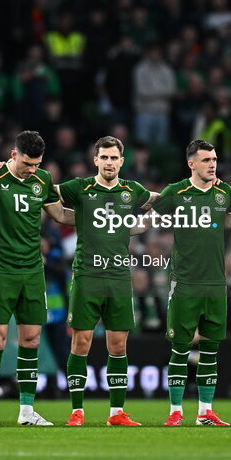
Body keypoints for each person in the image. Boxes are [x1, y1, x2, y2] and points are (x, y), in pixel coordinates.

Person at [0, 130, 73, 426]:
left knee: (31, 338)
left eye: (37, 164)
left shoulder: (41, 180)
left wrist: (100, 217)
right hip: (0, 270)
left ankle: (27, 411)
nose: (32, 170)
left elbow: (61, 215)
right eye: (27, 163)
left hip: (32, 271)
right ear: (13, 155)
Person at [153, 140, 231, 426]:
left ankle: (205, 412)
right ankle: (175, 411)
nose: (213, 164)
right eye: (207, 160)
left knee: (211, 347)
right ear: (192, 164)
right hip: (185, 282)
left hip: (216, 283)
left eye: (214, 159)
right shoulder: (176, 192)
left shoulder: (224, 192)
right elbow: (151, 215)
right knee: (180, 346)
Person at [58, 136, 156, 426]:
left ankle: (116, 413)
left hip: (118, 276)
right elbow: (46, 194)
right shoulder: (80, 187)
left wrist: (151, 218)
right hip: (87, 274)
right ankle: (77, 410)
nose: (110, 162)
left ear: (122, 161)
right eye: (105, 157)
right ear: (95, 160)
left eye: (114, 158)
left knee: (118, 345)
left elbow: (158, 200)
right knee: (82, 341)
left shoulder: (131, 190)